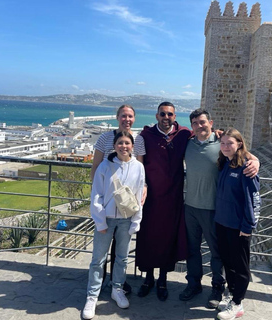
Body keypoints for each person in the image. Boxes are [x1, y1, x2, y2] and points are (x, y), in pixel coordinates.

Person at [180, 109, 259, 309]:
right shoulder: (188, 144)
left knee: (217, 253)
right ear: (192, 126)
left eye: (203, 122)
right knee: (192, 250)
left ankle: (217, 287)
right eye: (195, 123)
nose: (200, 125)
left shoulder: (221, 143)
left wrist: (256, 162)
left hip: (214, 210)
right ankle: (194, 284)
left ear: (211, 123)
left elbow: (244, 153)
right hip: (190, 207)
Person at [82, 131, 145, 319]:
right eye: (120, 143)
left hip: (126, 219)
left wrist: (136, 220)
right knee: (98, 259)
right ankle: (92, 295)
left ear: (132, 146)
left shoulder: (138, 168)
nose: (123, 146)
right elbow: (97, 195)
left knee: (122, 258)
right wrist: (100, 220)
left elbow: (138, 195)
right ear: (114, 145)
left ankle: (117, 288)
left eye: (127, 143)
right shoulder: (104, 166)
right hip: (106, 219)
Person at [135, 101, 191, 301]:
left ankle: (163, 279)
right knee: (148, 237)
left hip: (173, 199)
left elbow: (206, 138)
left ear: (175, 117)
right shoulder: (146, 136)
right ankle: (148, 278)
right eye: (162, 114)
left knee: (168, 238)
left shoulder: (184, 134)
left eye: (170, 114)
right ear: (156, 116)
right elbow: (134, 163)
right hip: (150, 198)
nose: (166, 117)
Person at [89, 104, 146, 295]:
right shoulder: (105, 137)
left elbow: (139, 170)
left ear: (134, 119)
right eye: (123, 116)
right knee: (102, 246)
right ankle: (100, 281)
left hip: (125, 204)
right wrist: (96, 197)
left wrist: (143, 189)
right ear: (117, 117)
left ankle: (116, 283)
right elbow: (96, 167)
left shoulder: (138, 140)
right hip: (106, 199)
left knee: (120, 249)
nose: (126, 119)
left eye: (130, 116)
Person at [214, 128, 261, 320]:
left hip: (238, 226)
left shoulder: (246, 167)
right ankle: (232, 295)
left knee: (241, 266)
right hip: (222, 222)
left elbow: (253, 199)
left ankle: (238, 303)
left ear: (239, 144)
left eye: (230, 143)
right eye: (223, 143)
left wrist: (248, 226)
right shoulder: (224, 162)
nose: (225, 147)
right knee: (228, 262)